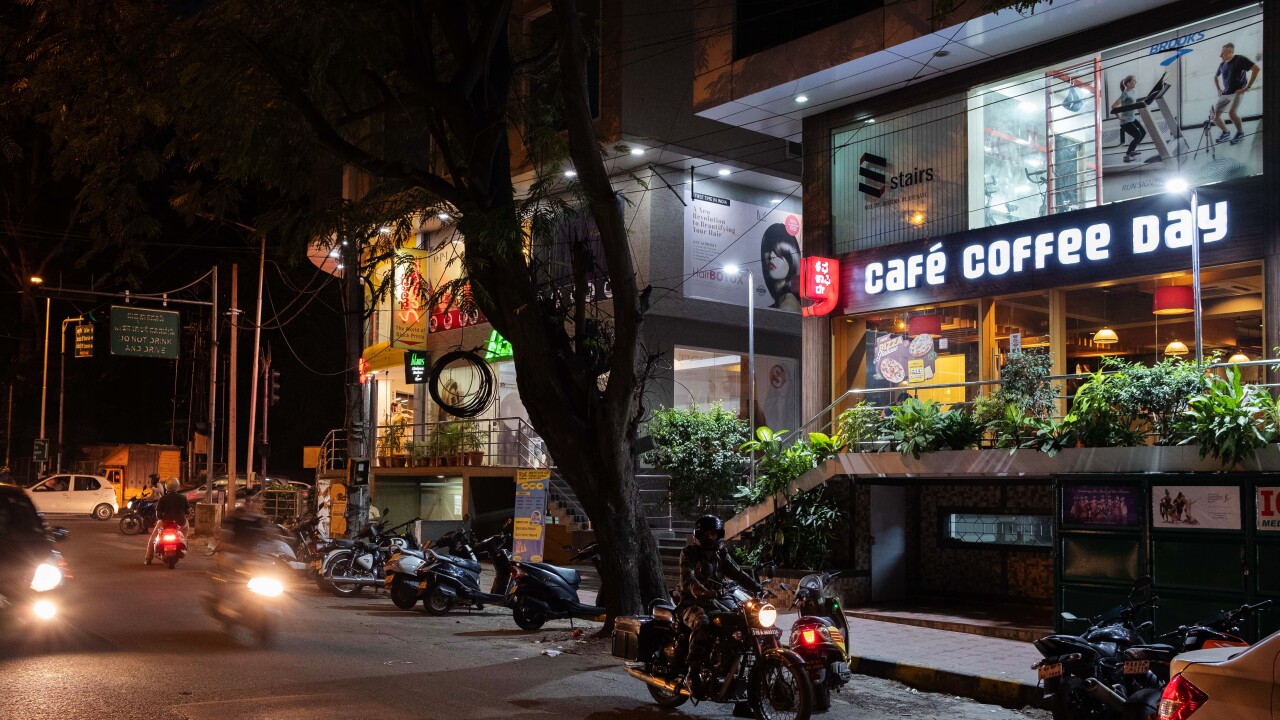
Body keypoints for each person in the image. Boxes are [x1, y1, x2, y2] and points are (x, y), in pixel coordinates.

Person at [678, 515, 761, 693]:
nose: (711, 537)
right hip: (691, 603)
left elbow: (737, 573)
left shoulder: (720, 554)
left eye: (714, 533)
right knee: (704, 624)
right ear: (700, 534)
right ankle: (692, 674)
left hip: (714, 601)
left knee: (740, 621)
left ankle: (733, 675)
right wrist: (701, 591)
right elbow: (688, 579)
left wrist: (757, 587)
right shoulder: (689, 553)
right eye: (708, 533)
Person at [1213, 43, 1260, 146]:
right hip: (1226, 93)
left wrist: (1247, 87)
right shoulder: (1222, 64)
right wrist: (1219, 90)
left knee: (1231, 113)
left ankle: (1240, 133)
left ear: (1230, 52)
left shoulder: (1240, 59)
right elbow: (1215, 77)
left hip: (1237, 92)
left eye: (1223, 53)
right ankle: (1225, 132)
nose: (1220, 55)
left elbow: (1256, 69)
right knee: (1215, 116)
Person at [145, 479, 191, 565]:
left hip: (165, 523)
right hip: (181, 522)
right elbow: (188, 511)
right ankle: (182, 544)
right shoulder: (183, 498)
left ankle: (148, 557)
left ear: (167, 487)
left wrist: (163, 519)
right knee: (184, 534)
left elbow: (158, 514)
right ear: (177, 486)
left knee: (153, 538)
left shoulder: (163, 498)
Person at [759, 223, 801, 311]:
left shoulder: (788, 304)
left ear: (792, 260)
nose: (771, 255)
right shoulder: (781, 302)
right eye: (768, 249)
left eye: (779, 252)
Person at [1111, 75, 1145, 163]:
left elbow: (1133, 103)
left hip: (1132, 118)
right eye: (1134, 81)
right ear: (1128, 83)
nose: (1135, 82)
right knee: (1138, 136)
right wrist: (1120, 117)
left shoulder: (1133, 92)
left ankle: (1132, 150)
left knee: (1143, 133)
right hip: (1126, 122)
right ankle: (1127, 155)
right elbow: (1114, 106)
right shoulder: (1125, 94)